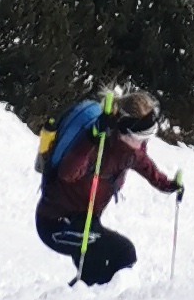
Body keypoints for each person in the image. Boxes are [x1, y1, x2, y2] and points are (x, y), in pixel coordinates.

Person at [36, 84, 181, 284]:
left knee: (102, 269)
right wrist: (92, 138)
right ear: (124, 131)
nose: (143, 144)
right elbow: (68, 173)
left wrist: (167, 185)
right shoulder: (99, 142)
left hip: (86, 222)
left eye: (148, 137)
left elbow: (144, 164)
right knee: (121, 254)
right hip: (57, 224)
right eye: (140, 137)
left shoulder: (130, 150)